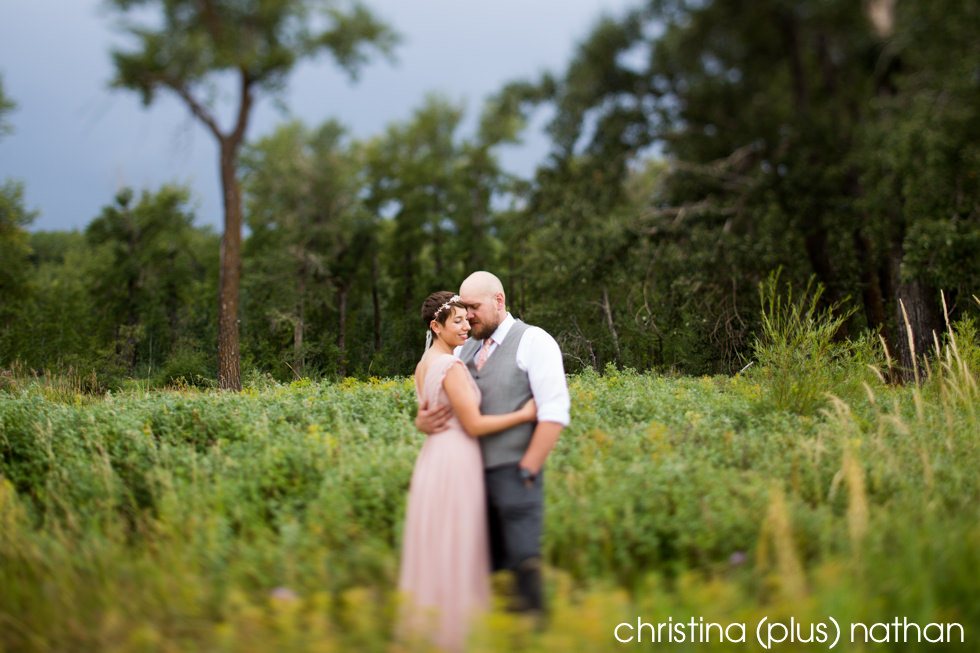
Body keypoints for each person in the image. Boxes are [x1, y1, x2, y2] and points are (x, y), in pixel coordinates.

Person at [416, 271, 570, 620]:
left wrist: (528, 467)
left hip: (515, 470)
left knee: (523, 562)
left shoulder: (535, 341)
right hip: (468, 478)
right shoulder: (464, 346)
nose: (468, 315)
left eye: (474, 306)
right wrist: (421, 420)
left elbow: (554, 411)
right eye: (464, 308)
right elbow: (439, 391)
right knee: (481, 569)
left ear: (499, 301)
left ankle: (535, 637)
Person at [398, 291, 538, 652]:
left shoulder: (423, 364)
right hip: (456, 459)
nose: (466, 326)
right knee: (458, 545)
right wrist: (524, 414)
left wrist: (420, 421)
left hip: (433, 460)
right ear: (436, 326)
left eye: (467, 319)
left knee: (440, 546)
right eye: (457, 321)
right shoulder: (451, 366)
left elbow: (429, 409)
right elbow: (473, 424)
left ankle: (433, 629)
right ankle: (456, 635)